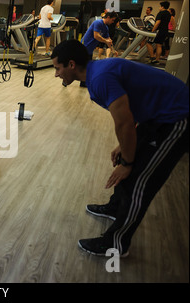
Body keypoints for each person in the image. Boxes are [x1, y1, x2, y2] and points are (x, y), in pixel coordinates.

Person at [51, 39, 189, 257]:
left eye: (57, 68)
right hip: (156, 114)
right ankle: (116, 208)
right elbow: (132, 110)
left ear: (70, 64)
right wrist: (124, 147)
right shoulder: (98, 72)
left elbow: (123, 122)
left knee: (139, 181)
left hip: (176, 117)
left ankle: (116, 244)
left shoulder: (100, 79)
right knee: (128, 160)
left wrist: (127, 162)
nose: (56, 74)